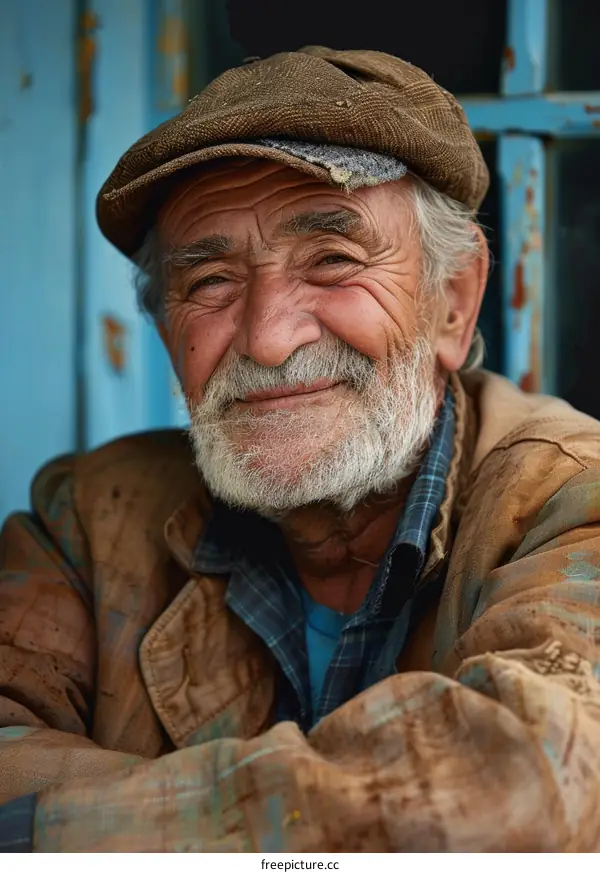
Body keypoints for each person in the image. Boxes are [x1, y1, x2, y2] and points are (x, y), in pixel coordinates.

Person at [1, 46, 600, 853]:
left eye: (333, 260)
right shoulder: (87, 518)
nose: (269, 339)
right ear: (164, 326)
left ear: (453, 304)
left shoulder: (573, 500)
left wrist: (57, 832)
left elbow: (531, 787)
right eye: (209, 280)